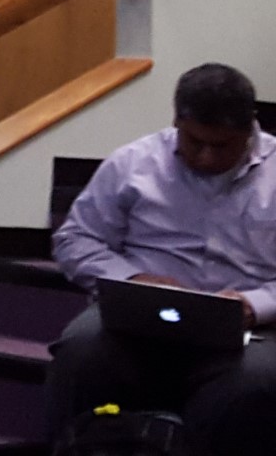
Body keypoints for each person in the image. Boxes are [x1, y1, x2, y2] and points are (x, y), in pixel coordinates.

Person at [47, 62, 276, 455]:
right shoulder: (133, 162)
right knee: (80, 353)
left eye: (222, 146)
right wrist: (132, 279)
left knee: (256, 381)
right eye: (195, 142)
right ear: (176, 121)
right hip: (138, 318)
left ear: (249, 129)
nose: (206, 158)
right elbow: (76, 239)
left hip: (249, 332)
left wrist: (255, 305)